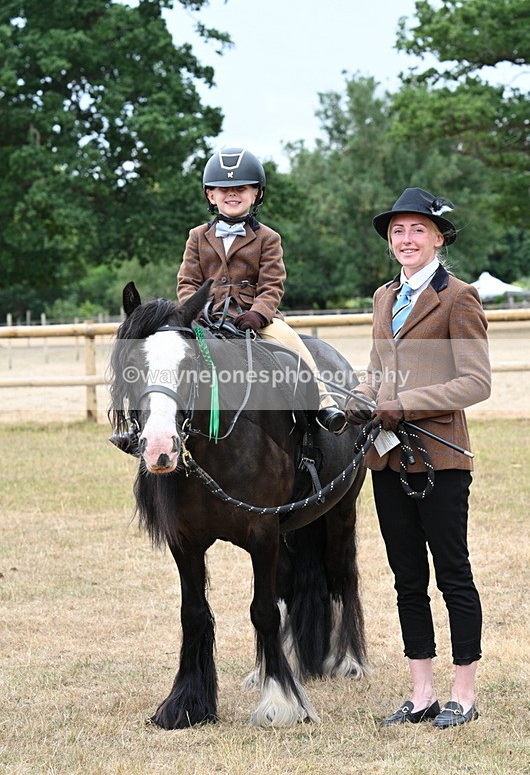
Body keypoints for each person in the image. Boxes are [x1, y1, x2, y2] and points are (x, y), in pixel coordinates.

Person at [344, 187, 491, 728]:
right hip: (387, 460)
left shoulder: (459, 297)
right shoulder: (384, 297)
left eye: (417, 230)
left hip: (441, 460)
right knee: (407, 576)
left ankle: (464, 693)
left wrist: (404, 404)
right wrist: (359, 397)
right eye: (397, 232)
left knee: (452, 574)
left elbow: (476, 382)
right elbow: (378, 369)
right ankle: (422, 691)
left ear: (438, 237)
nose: (406, 239)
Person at [177, 146, 346, 434]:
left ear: (256, 193)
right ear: (210, 195)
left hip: (253, 318)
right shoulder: (197, 236)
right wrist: (192, 312)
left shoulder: (268, 238)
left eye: (241, 188)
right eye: (223, 189)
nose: (232, 194)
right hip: (205, 317)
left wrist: (258, 314)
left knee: (292, 342)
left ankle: (324, 402)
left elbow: (272, 284)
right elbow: (187, 282)